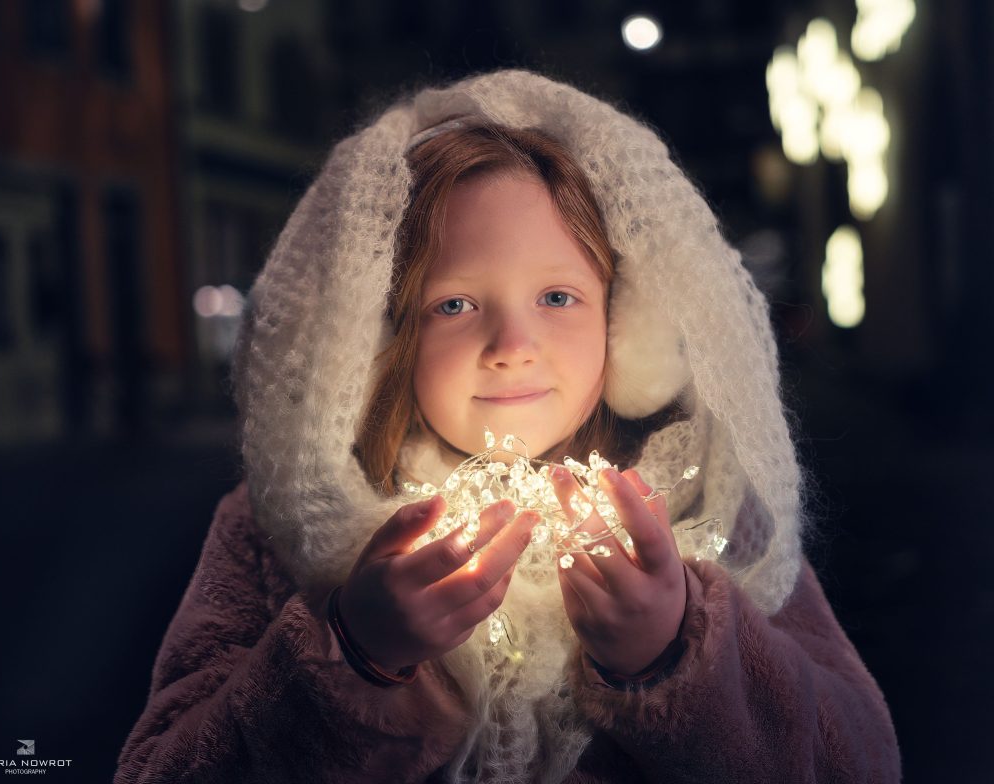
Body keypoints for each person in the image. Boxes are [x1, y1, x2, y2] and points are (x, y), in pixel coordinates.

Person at [115, 70, 901, 783]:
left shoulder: (708, 512)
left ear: (626, 325)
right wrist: (355, 656)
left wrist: (676, 654)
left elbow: (858, 761)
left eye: (558, 297)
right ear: (381, 339)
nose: (512, 349)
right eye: (453, 305)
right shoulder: (276, 527)